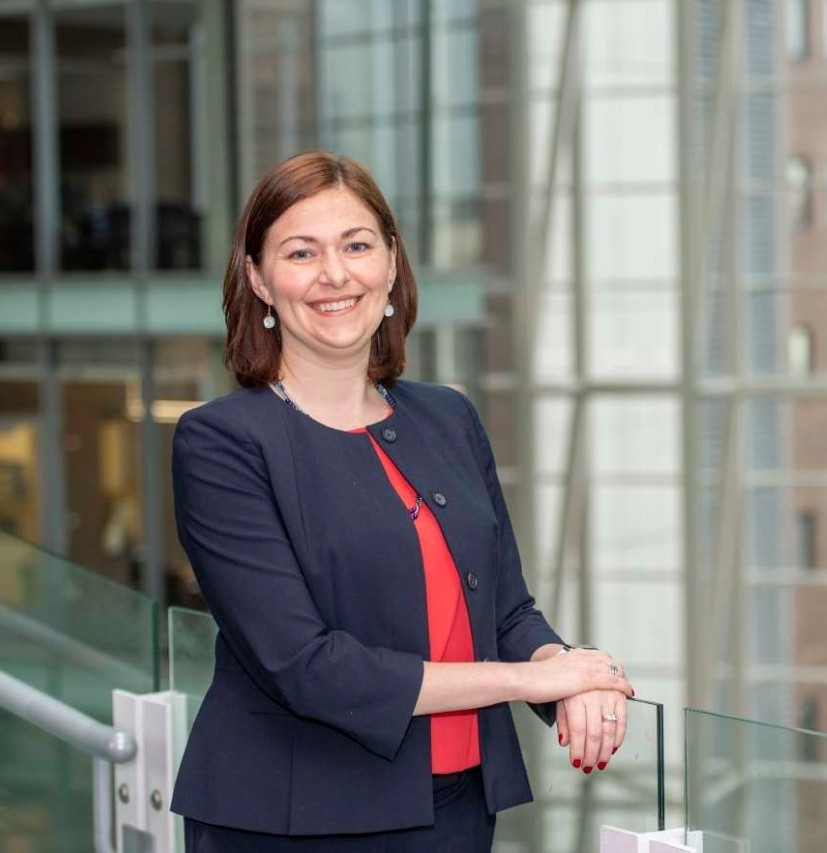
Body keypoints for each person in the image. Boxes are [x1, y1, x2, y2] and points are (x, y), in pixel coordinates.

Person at [170, 151, 633, 853]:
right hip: (291, 821)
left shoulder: (445, 417)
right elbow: (306, 666)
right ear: (260, 280)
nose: (335, 274)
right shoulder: (222, 442)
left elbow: (504, 607)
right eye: (301, 252)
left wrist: (570, 670)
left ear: (390, 263)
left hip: (455, 807)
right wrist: (532, 678)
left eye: (356, 245)